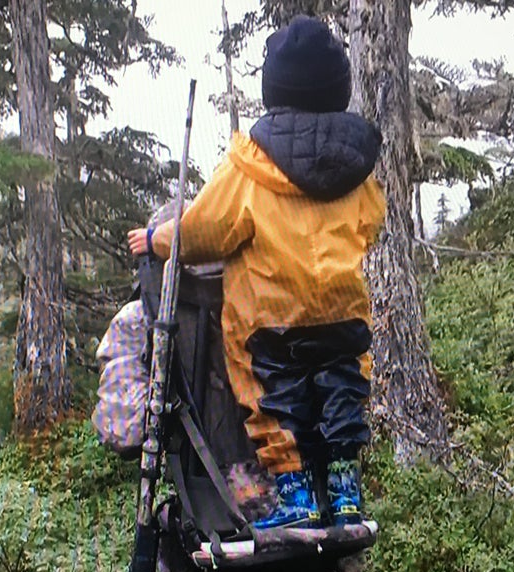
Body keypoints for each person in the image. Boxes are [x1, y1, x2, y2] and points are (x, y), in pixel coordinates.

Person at [129, 15, 386, 531]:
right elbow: (370, 224)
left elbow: (202, 231)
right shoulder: (357, 172)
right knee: (339, 396)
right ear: (338, 87)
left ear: (274, 88)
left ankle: (296, 498)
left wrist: (157, 240)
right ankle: (343, 492)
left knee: (276, 405)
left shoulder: (249, 168)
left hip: (271, 324)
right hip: (341, 319)